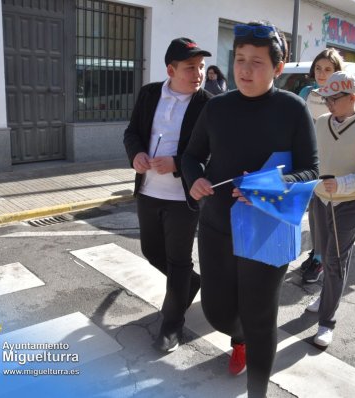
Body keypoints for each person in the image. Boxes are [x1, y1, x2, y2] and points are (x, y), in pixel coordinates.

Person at [182, 21, 318, 398]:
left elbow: (311, 170)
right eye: (240, 59)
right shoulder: (217, 107)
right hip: (216, 226)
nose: (244, 69)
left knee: (260, 318)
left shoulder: (293, 109)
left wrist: (268, 187)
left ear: (278, 67)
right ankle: (237, 336)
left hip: (267, 228)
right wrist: (192, 179)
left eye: (257, 62)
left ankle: (257, 390)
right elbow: (192, 156)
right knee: (217, 311)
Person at [123, 37, 212, 353]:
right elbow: (132, 132)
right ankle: (190, 283)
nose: (198, 73)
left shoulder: (207, 104)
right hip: (148, 192)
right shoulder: (149, 94)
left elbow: (212, 152)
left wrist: (177, 163)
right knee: (151, 251)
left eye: (200, 67)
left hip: (183, 199)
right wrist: (136, 154)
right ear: (171, 70)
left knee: (177, 262)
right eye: (190, 67)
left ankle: (171, 326)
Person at [304, 71, 355, 347]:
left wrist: (343, 184)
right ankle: (326, 296)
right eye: (326, 98)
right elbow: (312, 156)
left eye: (334, 98)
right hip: (320, 198)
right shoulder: (321, 122)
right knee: (324, 254)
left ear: (353, 98)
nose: (328, 104)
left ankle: (327, 322)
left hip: (351, 202)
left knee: (337, 260)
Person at [298, 48, 344, 284]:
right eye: (318, 68)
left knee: (327, 214)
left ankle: (322, 260)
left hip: (332, 162)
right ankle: (316, 253)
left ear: (337, 72)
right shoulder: (307, 92)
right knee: (314, 212)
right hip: (310, 160)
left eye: (328, 69)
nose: (322, 73)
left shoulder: (342, 95)